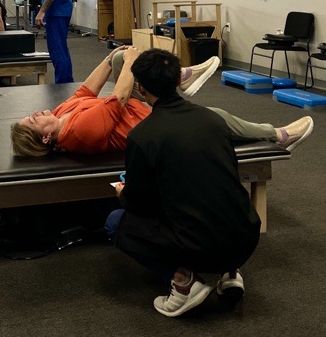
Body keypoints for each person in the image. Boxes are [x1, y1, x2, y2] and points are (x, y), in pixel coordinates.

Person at [109, 49, 266, 318]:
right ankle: (230, 272)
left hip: (201, 246)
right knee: (211, 195)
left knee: (116, 222)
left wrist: (124, 193)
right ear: (178, 81)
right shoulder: (214, 119)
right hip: (246, 238)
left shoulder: (142, 136)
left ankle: (184, 283)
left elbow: (139, 203)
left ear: (141, 88)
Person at [11, 48, 312, 157]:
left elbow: (85, 91)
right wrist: (130, 60)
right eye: (33, 120)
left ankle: (180, 76)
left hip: (141, 108)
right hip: (153, 126)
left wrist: (111, 58)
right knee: (214, 115)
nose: (36, 113)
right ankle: (278, 135)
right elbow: (120, 97)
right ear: (47, 137)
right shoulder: (77, 133)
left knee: (117, 58)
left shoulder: (62, 114)